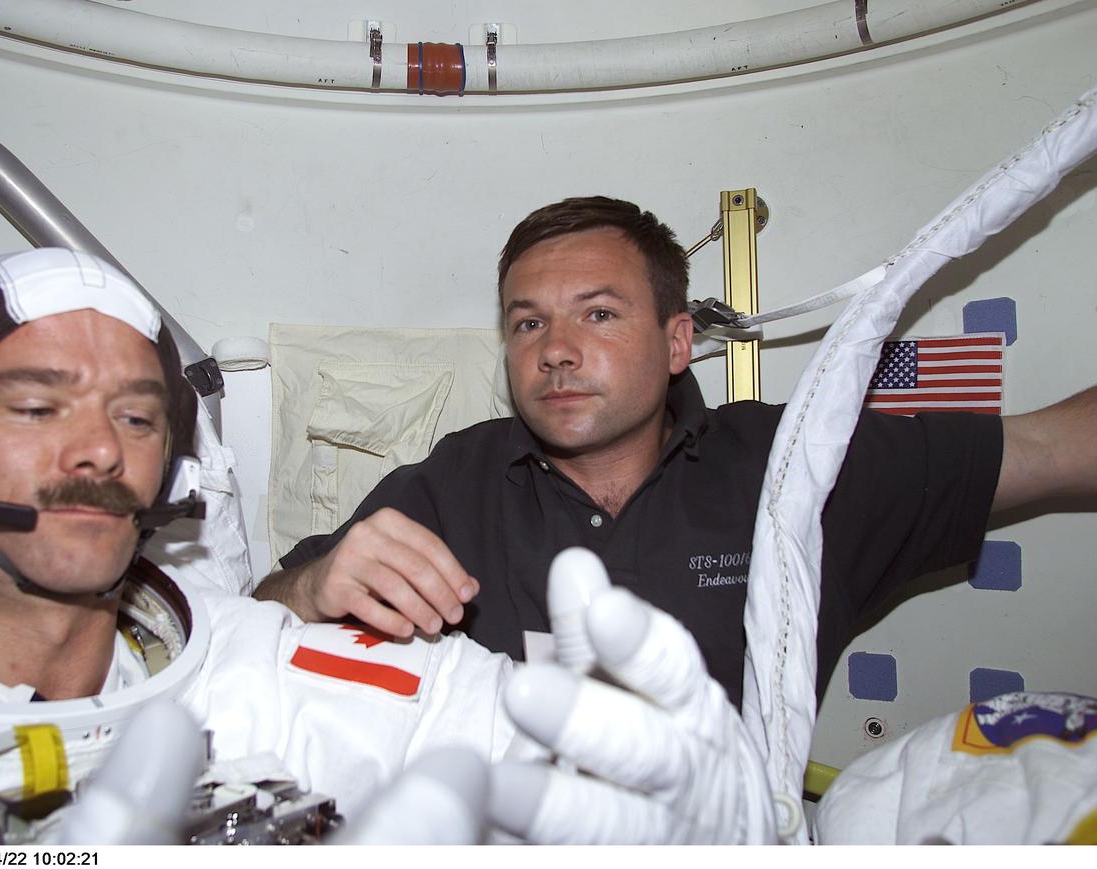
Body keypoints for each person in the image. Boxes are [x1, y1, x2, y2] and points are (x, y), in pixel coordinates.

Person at [0, 248, 776, 845]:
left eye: (138, 416)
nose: (102, 447)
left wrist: (711, 802)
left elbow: (539, 748)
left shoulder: (257, 670)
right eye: (35, 405)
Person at [256, 195, 1097, 709]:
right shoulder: (454, 483)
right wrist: (314, 586)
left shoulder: (791, 466)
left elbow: (1056, 445)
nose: (554, 348)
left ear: (677, 342)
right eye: (527, 322)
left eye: (598, 313)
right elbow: (259, 619)